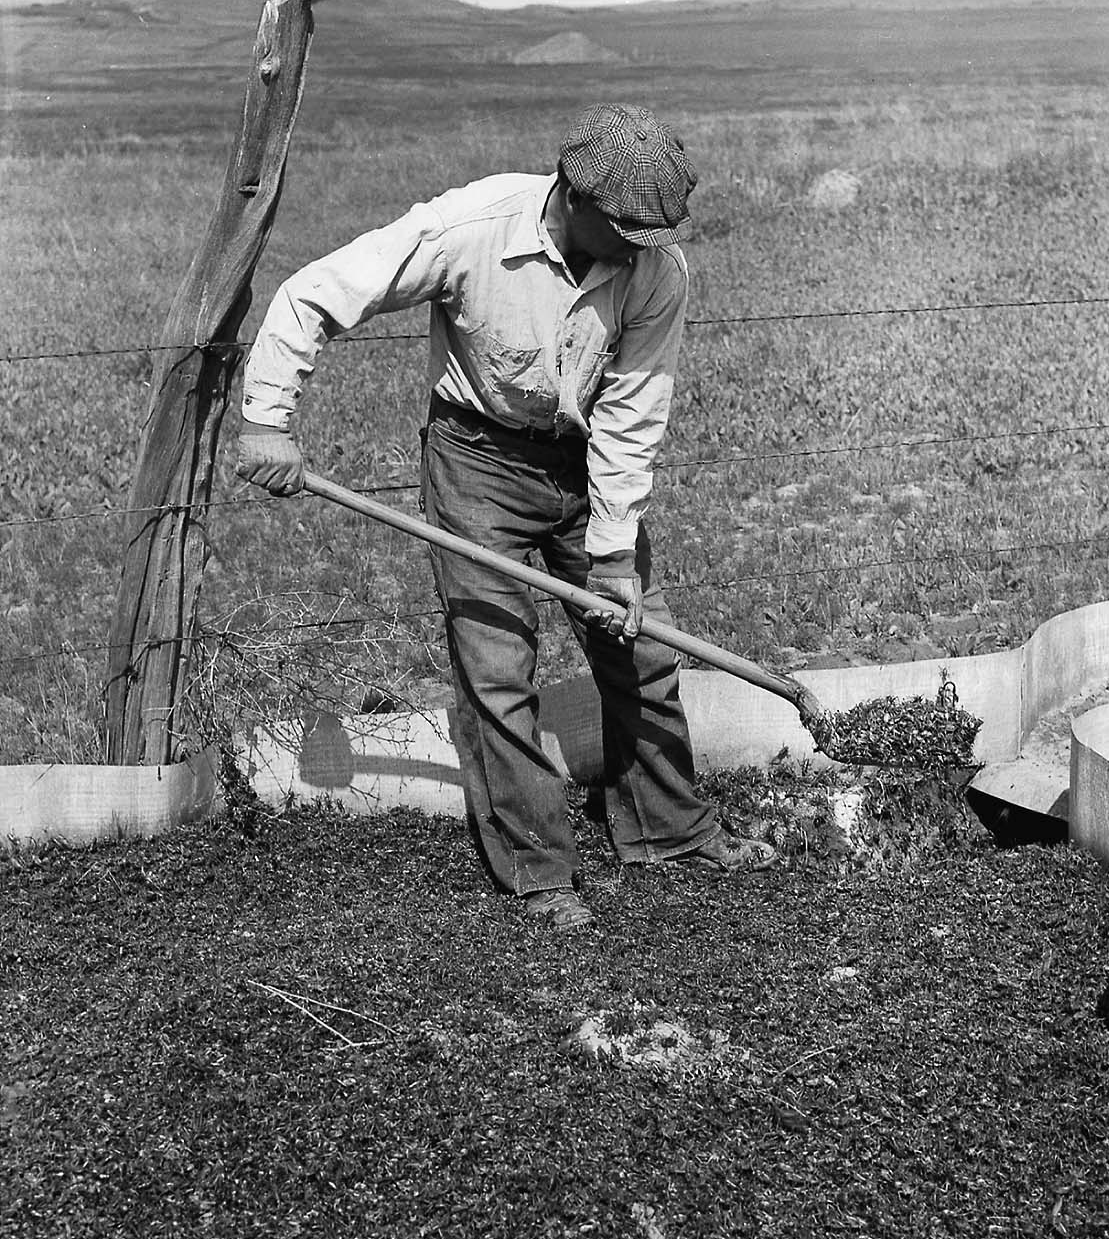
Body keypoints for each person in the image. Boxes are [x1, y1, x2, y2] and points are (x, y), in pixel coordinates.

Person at [236, 101, 776, 930]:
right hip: (477, 461)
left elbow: (632, 415)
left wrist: (613, 553)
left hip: (585, 459)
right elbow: (315, 294)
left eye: (653, 235)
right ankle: (537, 869)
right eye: (628, 230)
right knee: (498, 669)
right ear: (574, 195)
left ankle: (667, 828)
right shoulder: (472, 227)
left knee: (641, 644)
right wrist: (268, 420)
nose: (642, 249)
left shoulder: (656, 272)